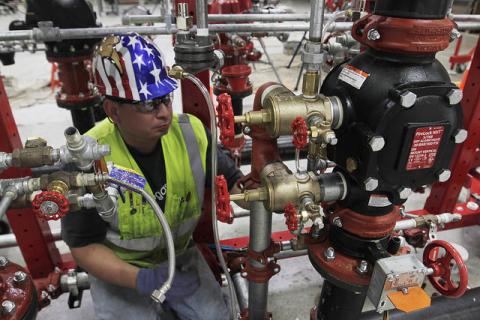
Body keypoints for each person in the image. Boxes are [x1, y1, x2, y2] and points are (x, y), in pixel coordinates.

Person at [61, 33, 243, 320]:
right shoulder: (88, 157)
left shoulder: (190, 133)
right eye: (149, 105)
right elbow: (82, 246)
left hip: (179, 258)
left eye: (166, 99)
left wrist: (269, 180)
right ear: (113, 110)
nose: (165, 114)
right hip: (120, 268)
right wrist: (141, 279)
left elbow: (237, 183)